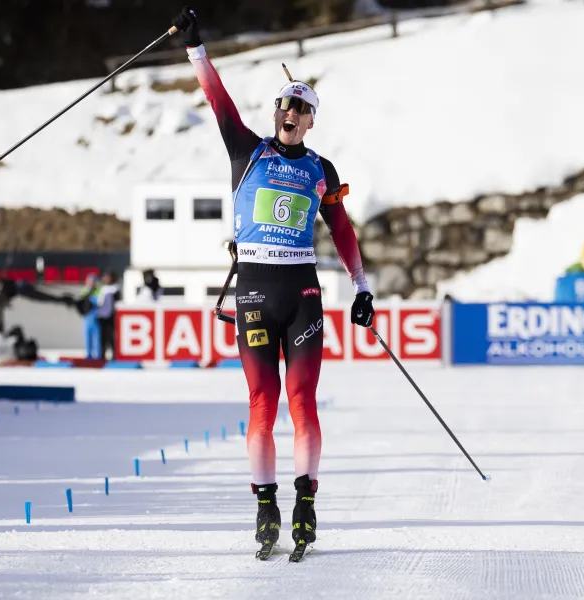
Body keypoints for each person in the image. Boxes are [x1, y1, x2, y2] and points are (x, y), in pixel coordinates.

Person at [173, 6, 376, 557]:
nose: (291, 110)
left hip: (303, 295)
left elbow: (341, 229)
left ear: (312, 121)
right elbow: (219, 102)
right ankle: (265, 505)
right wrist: (197, 48)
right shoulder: (248, 149)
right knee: (261, 402)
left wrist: (361, 289)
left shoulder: (321, 170)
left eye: (302, 107)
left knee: (302, 403)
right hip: (257, 294)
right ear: (276, 111)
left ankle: (306, 503)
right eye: (286, 103)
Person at [95, 271, 121, 360]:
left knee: (112, 338)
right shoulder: (102, 289)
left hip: (111, 317)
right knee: (103, 338)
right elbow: (99, 303)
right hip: (102, 317)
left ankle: (114, 356)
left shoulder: (115, 289)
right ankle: (102, 355)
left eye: (108, 277)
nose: (106, 279)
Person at [79, 273, 102, 359]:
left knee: (96, 337)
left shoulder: (98, 291)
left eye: (93, 281)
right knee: (87, 337)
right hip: (87, 317)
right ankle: (88, 354)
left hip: (95, 316)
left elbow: (99, 302)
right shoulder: (84, 291)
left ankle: (97, 355)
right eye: (89, 281)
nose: (91, 283)